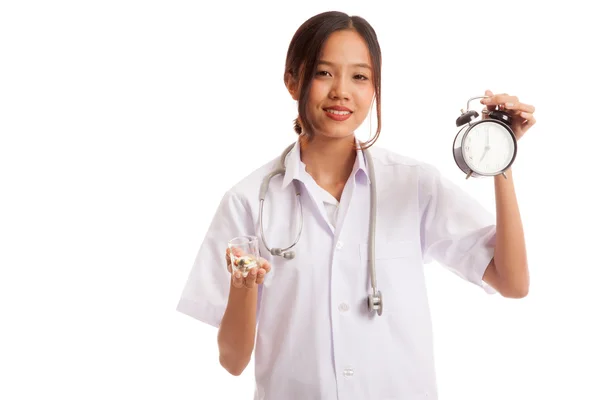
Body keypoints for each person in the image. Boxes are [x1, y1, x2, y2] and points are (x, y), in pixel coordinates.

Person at [176, 10, 536, 400]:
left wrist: (502, 154)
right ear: (292, 80)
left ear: (375, 87)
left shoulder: (413, 184)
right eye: (323, 73)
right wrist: (245, 287)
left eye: (360, 77)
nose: (341, 92)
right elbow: (232, 361)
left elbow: (512, 282)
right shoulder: (248, 201)